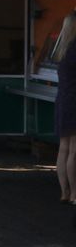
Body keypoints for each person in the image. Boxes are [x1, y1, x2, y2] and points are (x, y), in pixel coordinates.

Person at [54, 11, 76, 204]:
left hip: (62, 100)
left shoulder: (61, 49)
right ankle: (75, 193)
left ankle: (64, 191)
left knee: (63, 149)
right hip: (74, 102)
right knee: (74, 150)